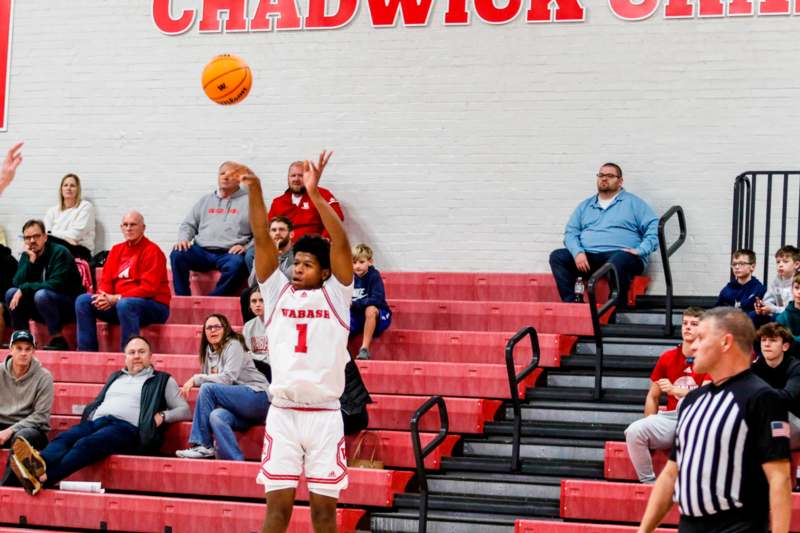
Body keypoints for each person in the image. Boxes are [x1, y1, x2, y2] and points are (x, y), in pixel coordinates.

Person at [238, 151, 351, 533]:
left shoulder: (337, 296)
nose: (297, 268)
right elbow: (260, 236)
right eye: (296, 263)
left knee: (323, 516)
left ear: (324, 272)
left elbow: (341, 241)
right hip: (283, 412)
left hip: (324, 415)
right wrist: (255, 191)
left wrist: (316, 195)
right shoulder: (276, 294)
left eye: (306, 264)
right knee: (277, 512)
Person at [638, 308, 792, 533]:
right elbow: (671, 474)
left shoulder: (762, 398)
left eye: (701, 338)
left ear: (725, 342)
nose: (694, 345)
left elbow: (780, 479)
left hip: (738, 526)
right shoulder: (692, 400)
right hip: (689, 525)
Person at [7, 336, 191, 496]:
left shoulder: (163, 380)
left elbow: (184, 410)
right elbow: (99, 400)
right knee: (66, 437)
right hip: (99, 422)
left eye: (141, 352)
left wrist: (162, 415)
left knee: (86, 444)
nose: (136, 356)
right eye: (132, 352)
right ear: (125, 357)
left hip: (128, 429)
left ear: (150, 357)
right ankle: (38, 464)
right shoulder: (116, 376)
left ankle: (46, 478)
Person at [549, 163, 659, 308]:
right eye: (601, 175)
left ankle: (615, 308)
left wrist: (640, 250)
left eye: (610, 176)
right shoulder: (585, 206)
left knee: (617, 259)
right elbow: (571, 233)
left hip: (622, 257)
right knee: (558, 256)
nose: (604, 179)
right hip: (589, 258)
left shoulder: (633, 203)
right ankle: (573, 305)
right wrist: (578, 253)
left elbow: (654, 226)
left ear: (620, 181)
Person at [624, 307, 709, 484]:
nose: (687, 327)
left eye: (694, 324)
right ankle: (648, 482)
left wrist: (677, 391)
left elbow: (707, 396)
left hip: (699, 418)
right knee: (634, 431)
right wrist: (650, 422)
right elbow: (652, 396)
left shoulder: (709, 358)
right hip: (671, 419)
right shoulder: (668, 357)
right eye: (685, 323)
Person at [175, 313, 270, 461]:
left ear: (225, 328)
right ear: (204, 332)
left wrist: (196, 379)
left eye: (217, 327)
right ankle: (236, 462)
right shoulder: (207, 352)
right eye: (209, 328)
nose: (213, 330)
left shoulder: (234, 345)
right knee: (217, 416)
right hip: (238, 408)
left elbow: (227, 378)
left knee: (206, 388)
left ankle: (203, 445)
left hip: (257, 398)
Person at [75, 211, 171, 352]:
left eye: (133, 224)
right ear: (121, 228)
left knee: (126, 304)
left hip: (153, 306)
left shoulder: (153, 251)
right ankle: (87, 352)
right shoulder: (116, 250)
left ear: (143, 228)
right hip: (121, 305)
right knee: (83, 301)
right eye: (125, 225)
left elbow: (149, 288)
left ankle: (129, 356)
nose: (128, 228)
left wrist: (117, 298)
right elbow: (106, 281)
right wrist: (104, 297)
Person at [170, 162, 252, 296]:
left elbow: (261, 234)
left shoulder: (250, 203)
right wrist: (183, 239)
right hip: (201, 251)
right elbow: (188, 225)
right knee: (177, 254)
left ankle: (213, 300)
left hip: (229, 254)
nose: (225, 177)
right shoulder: (205, 200)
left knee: (237, 265)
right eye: (222, 174)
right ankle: (183, 297)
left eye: (230, 174)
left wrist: (246, 247)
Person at [5, 220, 84, 350]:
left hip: (66, 304)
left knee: (42, 295)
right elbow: (17, 283)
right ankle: (22, 339)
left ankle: (58, 339)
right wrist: (30, 262)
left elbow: (56, 283)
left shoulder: (60, 252)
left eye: (36, 236)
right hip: (40, 304)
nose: (32, 241)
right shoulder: (28, 254)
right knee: (11, 293)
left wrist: (25, 288)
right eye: (27, 238)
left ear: (45, 237)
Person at [0, 330, 53, 486]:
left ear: (34, 351)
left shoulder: (44, 377)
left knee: (21, 439)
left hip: (32, 430)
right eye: (19, 348)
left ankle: (4, 489)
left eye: (28, 349)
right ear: (11, 350)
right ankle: (32, 472)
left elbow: (41, 416)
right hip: (2, 425)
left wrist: (10, 430)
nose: (23, 353)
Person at [268, 160, 344, 243]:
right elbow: (269, 228)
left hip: (314, 248)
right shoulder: (278, 202)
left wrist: (323, 241)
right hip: (285, 249)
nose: (296, 179)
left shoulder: (321, 194)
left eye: (301, 175)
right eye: (293, 176)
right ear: (288, 178)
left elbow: (337, 218)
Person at [752, 322, 800, 449]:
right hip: (766, 419)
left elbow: (788, 396)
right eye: (763, 340)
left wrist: (756, 397)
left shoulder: (796, 368)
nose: (766, 344)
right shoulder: (754, 368)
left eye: (773, 340)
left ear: (785, 346)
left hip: (794, 419)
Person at [241, 216, 295, 323]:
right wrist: (268, 257)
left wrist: (275, 259)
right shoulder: (262, 254)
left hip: (288, 293)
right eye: (274, 230)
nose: (277, 233)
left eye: (282, 229)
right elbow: (252, 282)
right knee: (247, 293)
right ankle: (253, 330)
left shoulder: (298, 254)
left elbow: (287, 280)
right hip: (266, 291)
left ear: (291, 234)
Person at [351, 243, 392, 360]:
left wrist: (354, 304)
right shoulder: (350, 277)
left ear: (370, 262)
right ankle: (339, 349)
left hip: (379, 315)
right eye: (354, 263)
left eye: (361, 262)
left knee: (370, 309)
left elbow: (377, 300)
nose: (357, 266)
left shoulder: (374, 276)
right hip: (358, 315)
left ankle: (364, 349)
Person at [42, 173, 96, 262]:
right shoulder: (52, 211)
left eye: (72, 186)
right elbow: (45, 234)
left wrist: (52, 233)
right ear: (61, 189)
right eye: (65, 185)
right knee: (33, 246)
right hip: (57, 246)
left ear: (78, 189)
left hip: (79, 250)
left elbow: (75, 235)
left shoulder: (85, 207)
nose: (68, 188)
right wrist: (66, 238)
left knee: (46, 242)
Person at [715, 248, 766, 317]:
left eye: (741, 263)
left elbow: (760, 315)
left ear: (752, 267)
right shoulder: (727, 289)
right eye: (734, 264)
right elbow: (716, 311)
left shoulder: (759, 290)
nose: (737, 267)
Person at [755, 245, 800, 320]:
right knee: (755, 315)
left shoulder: (797, 281)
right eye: (778, 262)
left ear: (796, 264)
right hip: (778, 313)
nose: (780, 265)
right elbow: (767, 300)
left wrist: (773, 309)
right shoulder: (776, 281)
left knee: (778, 318)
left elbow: (793, 309)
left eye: (785, 262)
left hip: (793, 316)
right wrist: (763, 307)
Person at [243, 287, 271, 380]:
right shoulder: (248, 326)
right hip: (255, 368)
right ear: (250, 306)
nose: (257, 305)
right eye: (254, 301)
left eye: (261, 300)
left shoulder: (278, 323)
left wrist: (255, 356)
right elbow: (246, 354)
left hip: (273, 369)